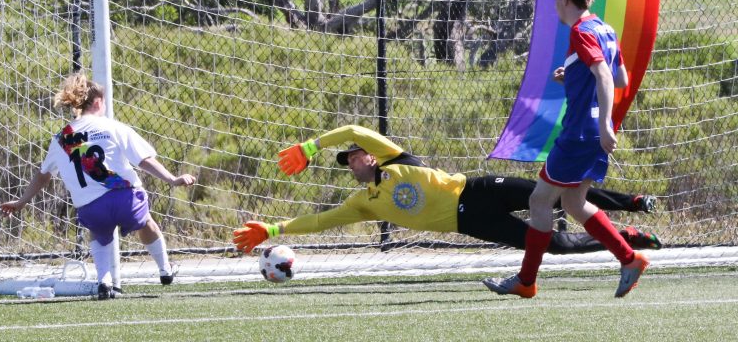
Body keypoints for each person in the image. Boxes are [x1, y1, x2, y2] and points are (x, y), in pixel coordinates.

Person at [233, 124, 660, 257]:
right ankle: (624, 240)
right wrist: (274, 230)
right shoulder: (363, 202)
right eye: (347, 163)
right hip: (469, 222)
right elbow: (321, 222)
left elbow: (353, 129)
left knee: (561, 192)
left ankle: (634, 203)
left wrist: (311, 146)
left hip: (478, 190)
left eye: (353, 157)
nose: (352, 164)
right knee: (557, 245)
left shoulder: (394, 158)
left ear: (368, 154)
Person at [483, 0, 648, 300]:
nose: (555, 5)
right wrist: (572, 76)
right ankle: (630, 258)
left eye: (556, 0)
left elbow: (604, 76)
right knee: (574, 202)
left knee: (539, 199)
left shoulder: (582, 32)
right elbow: (621, 81)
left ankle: (526, 280)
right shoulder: (605, 28)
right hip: (590, 131)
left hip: (580, 133)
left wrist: (603, 126)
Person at [0, 73, 196, 299]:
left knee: (99, 234)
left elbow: (43, 176)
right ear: (98, 102)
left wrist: (21, 201)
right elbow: (143, 160)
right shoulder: (112, 127)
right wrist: (172, 179)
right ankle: (165, 271)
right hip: (125, 199)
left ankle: (104, 281)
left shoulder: (61, 138)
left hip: (91, 208)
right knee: (146, 223)